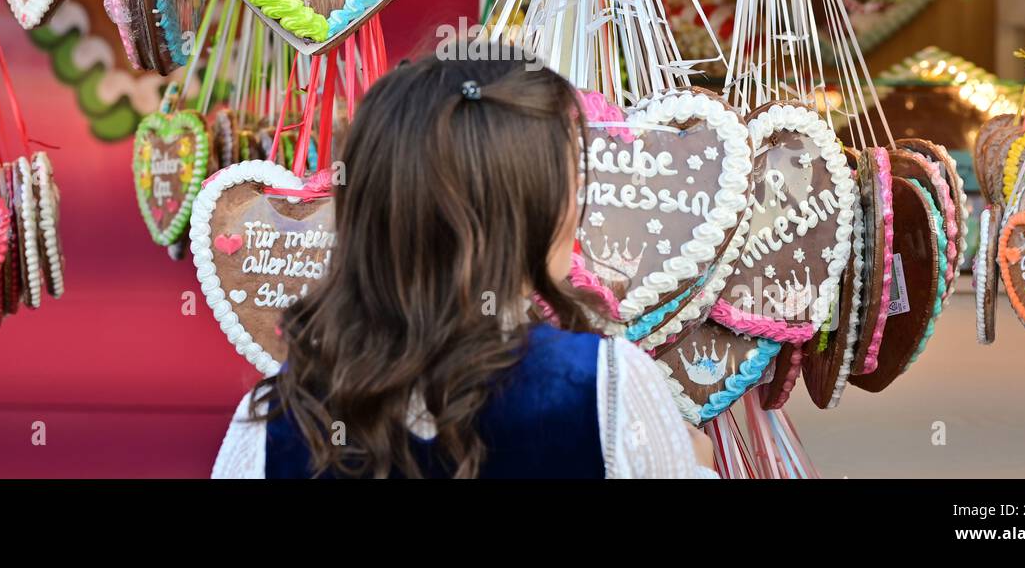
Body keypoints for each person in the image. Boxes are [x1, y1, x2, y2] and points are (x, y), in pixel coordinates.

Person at [212, 49, 716, 478]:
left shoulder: (280, 414)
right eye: (567, 174)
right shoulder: (602, 387)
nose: (579, 200)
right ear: (515, 203)